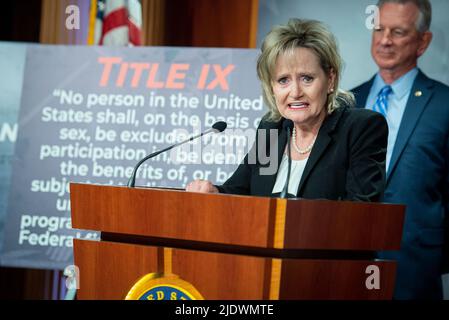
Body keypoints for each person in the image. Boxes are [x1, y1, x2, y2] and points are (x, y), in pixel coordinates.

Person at [187, 19, 388, 203]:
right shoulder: (273, 129)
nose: (295, 92)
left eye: (306, 78)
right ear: (272, 87)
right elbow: (240, 191)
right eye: (283, 80)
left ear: (330, 80)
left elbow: (362, 210)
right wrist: (215, 194)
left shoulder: (359, 129)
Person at [351, 0, 449, 299]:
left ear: (423, 41)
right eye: (379, 29)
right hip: (345, 264)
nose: (384, 40)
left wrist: (433, 258)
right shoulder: (347, 102)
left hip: (414, 269)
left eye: (398, 31)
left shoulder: (444, 105)